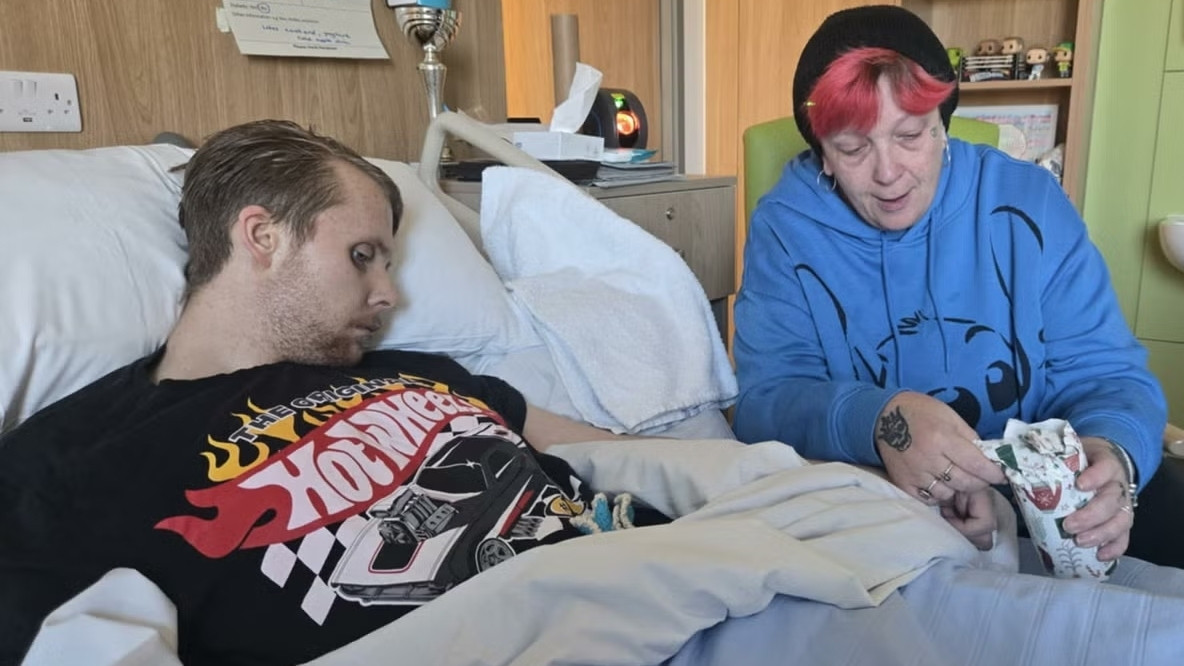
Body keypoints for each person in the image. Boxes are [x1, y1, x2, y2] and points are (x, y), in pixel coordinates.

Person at [0, 119, 652, 665]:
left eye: (388, 264)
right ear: (263, 237)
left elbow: (621, 458)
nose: (388, 295)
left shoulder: (420, 370)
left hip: (653, 586)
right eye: (361, 255)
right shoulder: (67, 462)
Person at [733, 6, 1166, 564]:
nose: (888, 172)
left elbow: (1108, 374)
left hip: (1041, 515)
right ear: (823, 154)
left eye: (910, 135)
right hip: (873, 517)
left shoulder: (1028, 203)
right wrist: (881, 421)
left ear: (944, 123)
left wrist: (1112, 452)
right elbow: (765, 402)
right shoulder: (785, 228)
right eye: (852, 148)